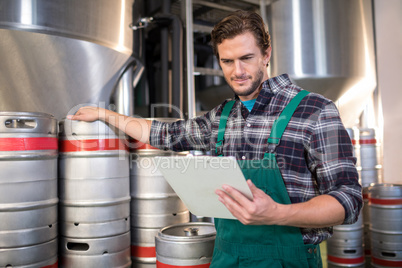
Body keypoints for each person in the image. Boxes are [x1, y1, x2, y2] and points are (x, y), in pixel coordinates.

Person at [68, 10, 362, 268]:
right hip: (227, 257)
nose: (238, 72)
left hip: (288, 259)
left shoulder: (315, 111)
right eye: (227, 61)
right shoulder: (222, 117)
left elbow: (348, 201)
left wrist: (278, 213)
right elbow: (164, 134)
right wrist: (105, 114)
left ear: (267, 54)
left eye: (247, 58)